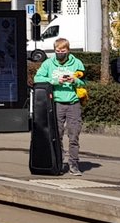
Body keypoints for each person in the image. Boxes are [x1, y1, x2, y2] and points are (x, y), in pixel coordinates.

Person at [35, 38, 86, 175]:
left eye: (63, 51)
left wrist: (75, 80)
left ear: (68, 50)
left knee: (74, 135)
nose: (60, 53)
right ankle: (58, 162)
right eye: (57, 51)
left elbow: (84, 82)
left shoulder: (77, 63)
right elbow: (37, 78)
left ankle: (74, 164)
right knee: (56, 135)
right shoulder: (49, 63)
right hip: (56, 103)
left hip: (73, 103)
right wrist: (55, 80)